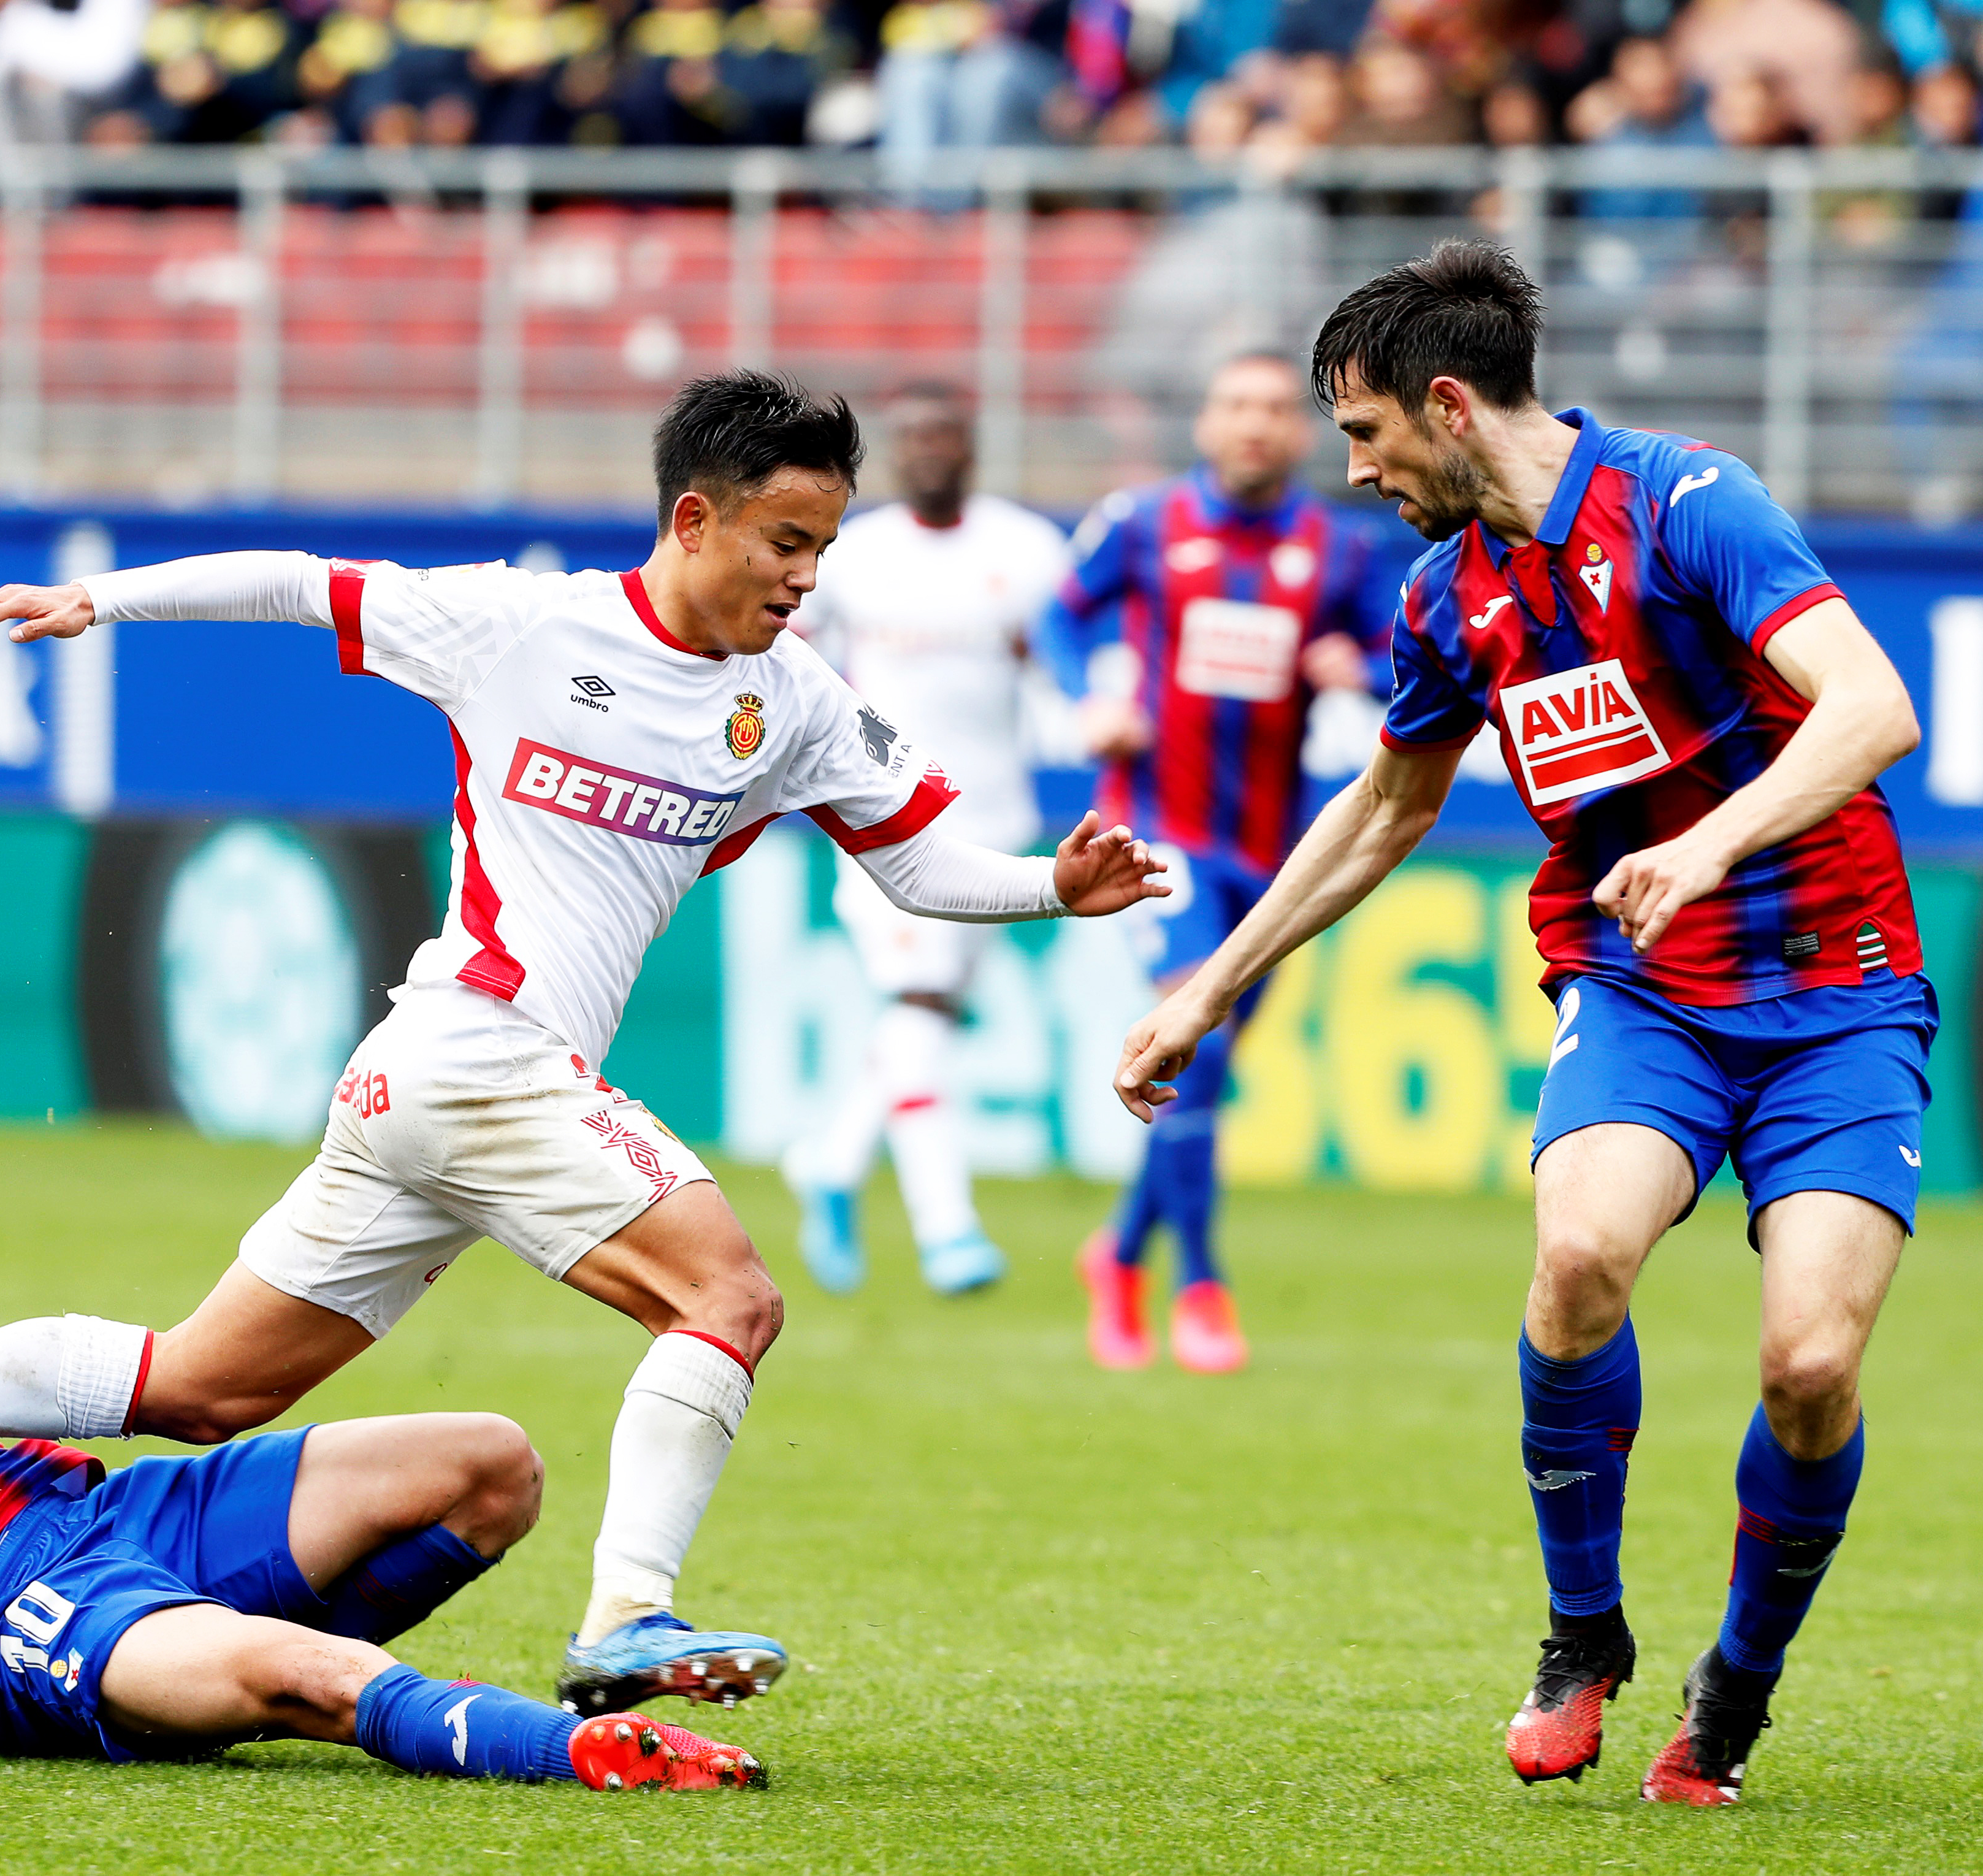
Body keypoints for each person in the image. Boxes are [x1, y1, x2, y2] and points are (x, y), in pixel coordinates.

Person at [0, 369, 1168, 1719]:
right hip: (479, 1051)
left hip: (425, 1084)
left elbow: (918, 867)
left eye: (823, 548)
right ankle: (627, 1613)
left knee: (201, 1386)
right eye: (786, 542)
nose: (807, 576)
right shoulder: (517, 621)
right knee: (727, 1299)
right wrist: (103, 600)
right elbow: (302, 581)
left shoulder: (790, 698)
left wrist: (1052, 885)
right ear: (695, 519)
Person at [1115, 240, 1929, 1807]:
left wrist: (1703, 846)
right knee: (1575, 1260)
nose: (1352, 473)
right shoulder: (1449, 596)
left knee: (1808, 1365)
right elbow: (1382, 807)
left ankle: (1734, 1692)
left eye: (1361, 435)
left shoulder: (1688, 504)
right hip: (1640, 990)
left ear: (1446, 407)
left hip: (1837, 989)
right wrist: (1206, 988)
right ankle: (1580, 1636)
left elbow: (1874, 706)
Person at [0, 1047, 764, 1791]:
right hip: (15, 1611)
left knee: (489, 1464)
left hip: (103, 1511)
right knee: (321, 1671)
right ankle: (578, 1747)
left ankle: (230, 1668)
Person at [1036, 351, 1395, 1375]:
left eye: (1277, 409)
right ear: (1206, 422)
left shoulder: (1336, 547)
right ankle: (1198, 1283)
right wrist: (1087, 698)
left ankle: (1116, 1253)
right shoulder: (1144, 522)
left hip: (1277, 856)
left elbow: (1406, 654)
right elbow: (1060, 614)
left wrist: (1358, 666)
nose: (1255, 424)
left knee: (1207, 1064)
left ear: (1301, 432)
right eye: (1236, 404)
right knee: (1191, 1021)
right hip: (1164, 831)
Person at [779, 383, 1074, 1298]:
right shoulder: (854, 557)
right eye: (912, 438)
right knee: (917, 1000)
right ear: (892, 455)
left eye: (945, 434)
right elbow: (801, 660)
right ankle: (948, 1229)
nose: (929, 451)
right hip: (882, 816)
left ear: (972, 447)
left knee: (928, 1013)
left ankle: (828, 1160)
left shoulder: (1024, 550)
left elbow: (1053, 656)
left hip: (994, 819)